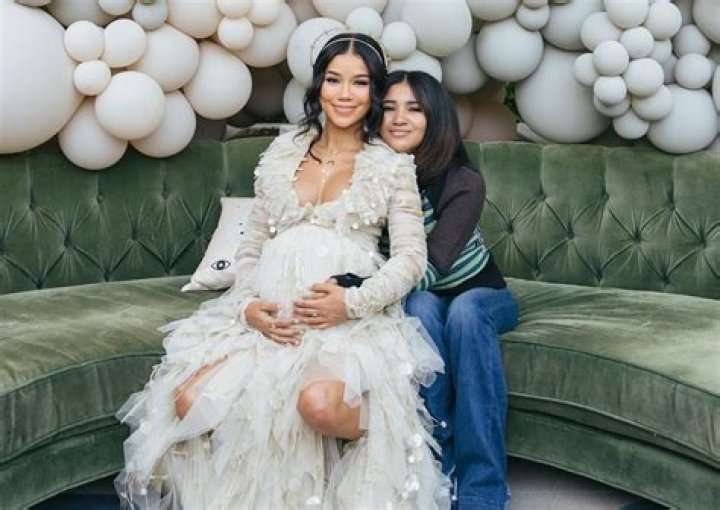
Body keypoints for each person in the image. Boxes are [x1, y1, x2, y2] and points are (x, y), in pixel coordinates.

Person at [115, 34, 449, 509]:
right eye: (333, 80)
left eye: (359, 82)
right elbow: (251, 247)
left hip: (342, 323)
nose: (345, 94)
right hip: (271, 320)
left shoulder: (391, 165)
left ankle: (388, 426)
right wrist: (248, 306)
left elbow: (411, 258)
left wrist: (351, 302)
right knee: (189, 401)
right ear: (319, 87)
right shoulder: (282, 151)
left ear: (375, 91)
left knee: (318, 405)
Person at [300, 70, 518, 510]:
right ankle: (437, 464)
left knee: (464, 314)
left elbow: (429, 265)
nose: (399, 119)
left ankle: (483, 486)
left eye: (414, 109)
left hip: (480, 292)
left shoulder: (463, 181)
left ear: (435, 118)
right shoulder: (372, 172)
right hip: (418, 293)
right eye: (390, 108)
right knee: (419, 306)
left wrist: (353, 294)